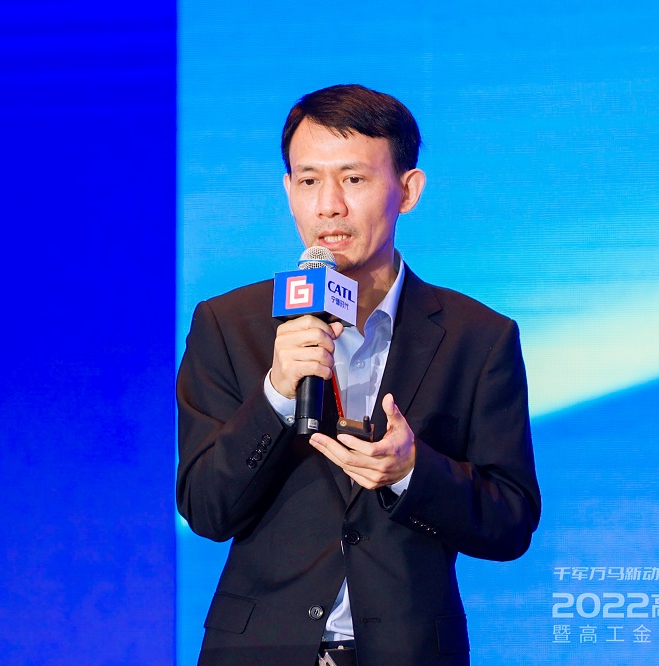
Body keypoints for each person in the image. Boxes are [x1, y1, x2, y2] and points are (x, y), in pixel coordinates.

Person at [176, 84, 540, 666]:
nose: (329, 206)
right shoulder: (228, 324)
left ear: (408, 191)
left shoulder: (478, 336)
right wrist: (275, 396)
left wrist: (411, 472)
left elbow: (511, 521)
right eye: (308, 180)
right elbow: (206, 509)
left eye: (353, 178)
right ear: (288, 191)